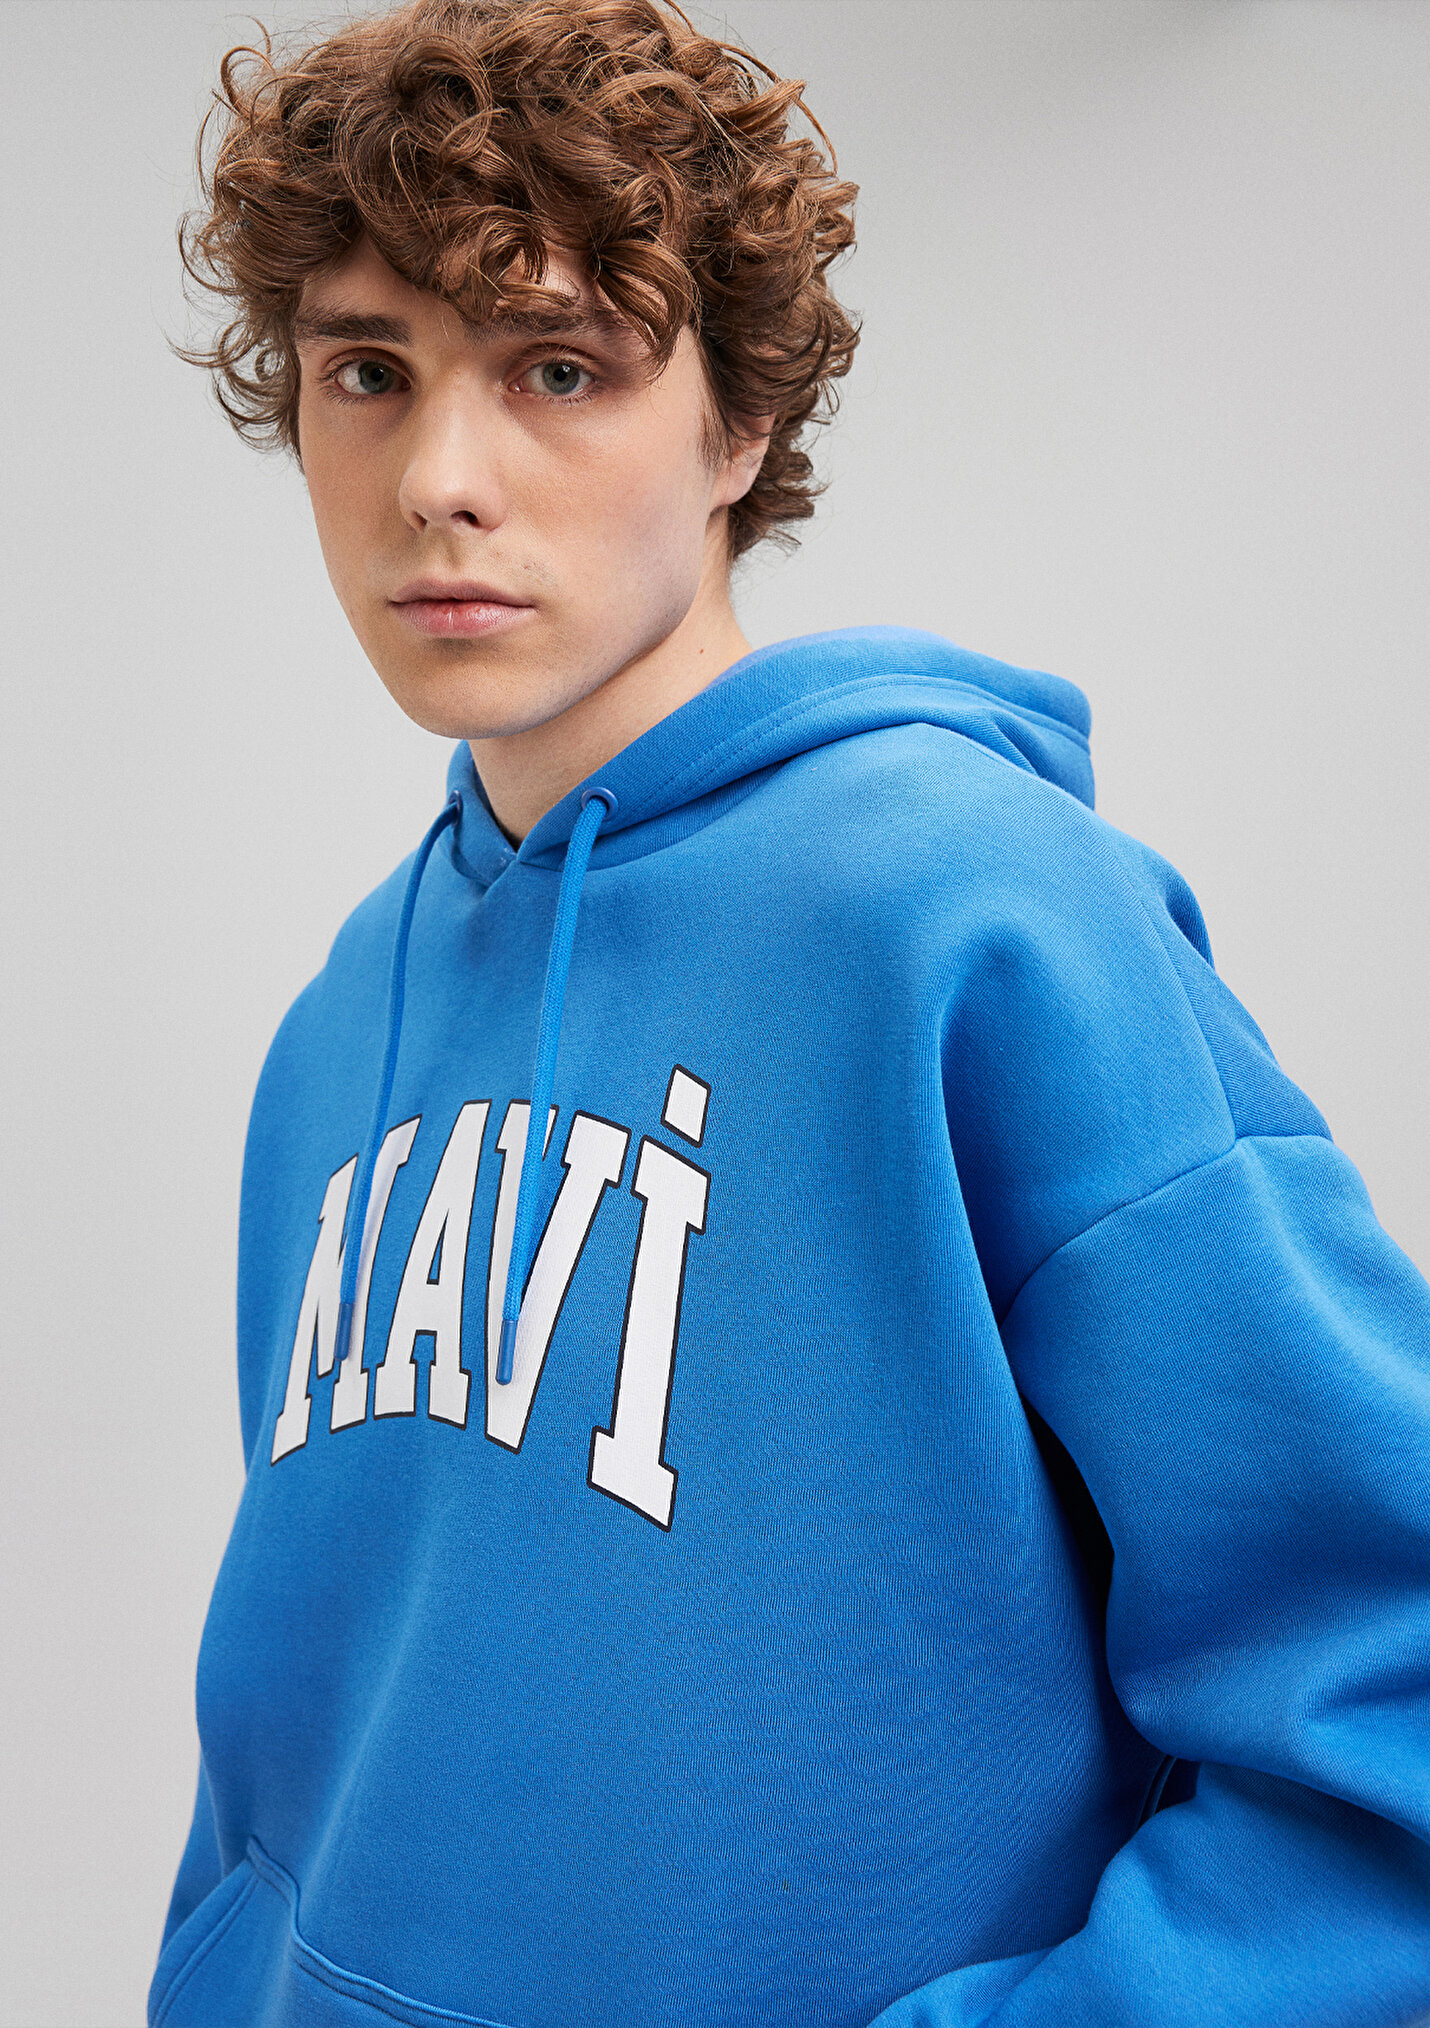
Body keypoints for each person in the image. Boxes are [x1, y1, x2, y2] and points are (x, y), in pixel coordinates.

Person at [149, 1, 1430, 2022]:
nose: (439, 479)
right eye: (366, 373)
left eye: (558, 368)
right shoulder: (338, 1023)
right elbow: (297, 1740)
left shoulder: (973, 916)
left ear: (736, 427)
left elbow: (1386, 1693)